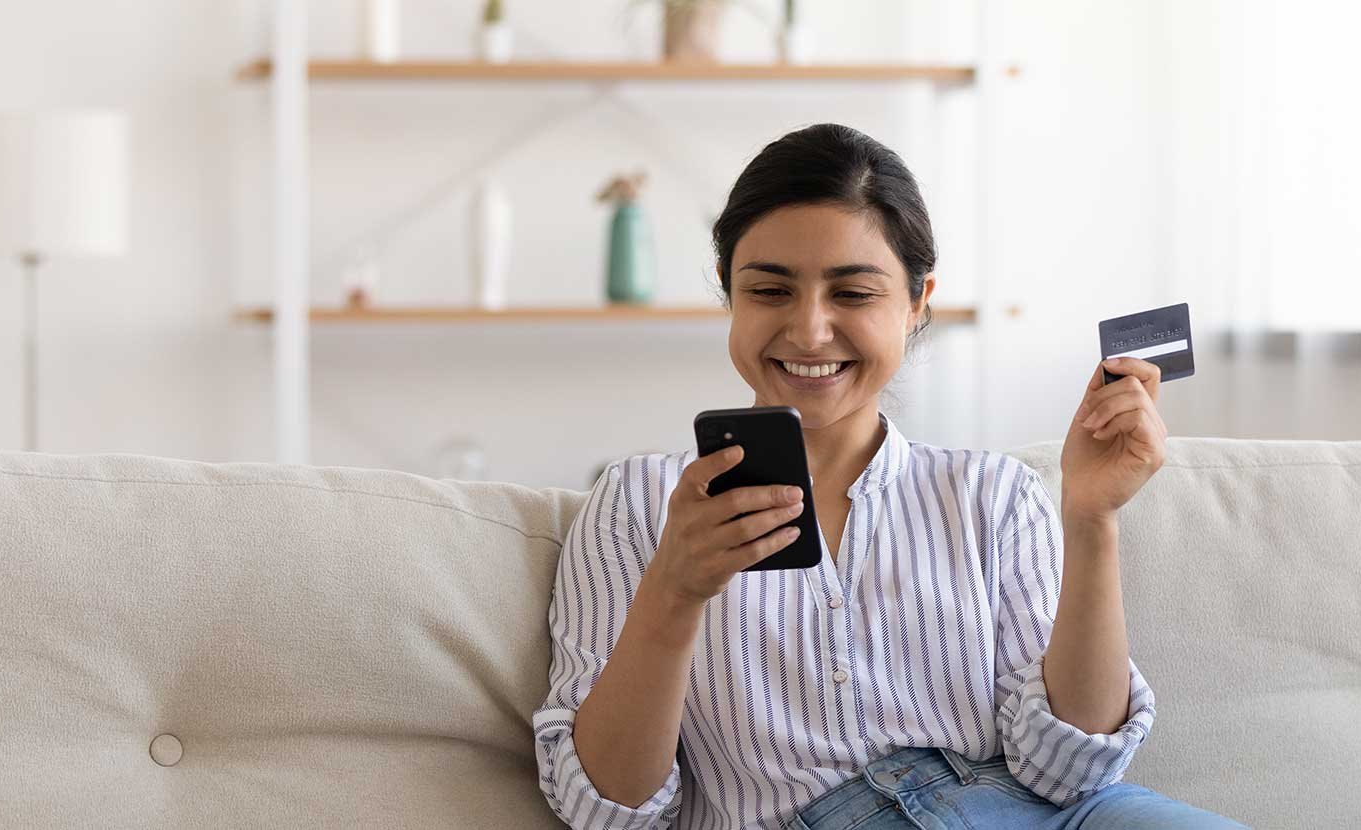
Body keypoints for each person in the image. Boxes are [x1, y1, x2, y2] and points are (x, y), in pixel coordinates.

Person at [534, 123, 1247, 830]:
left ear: (916, 303)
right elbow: (604, 812)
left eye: (853, 294)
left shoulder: (992, 497)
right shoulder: (637, 506)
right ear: (730, 293)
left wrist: (1092, 520)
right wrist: (674, 592)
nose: (810, 331)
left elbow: (1069, 770)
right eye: (771, 291)